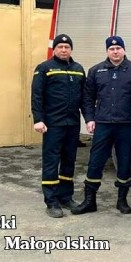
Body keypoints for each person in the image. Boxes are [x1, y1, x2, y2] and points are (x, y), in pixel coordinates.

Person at [72, 36, 131, 216]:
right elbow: (88, 98)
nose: (115, 51)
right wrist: (89, 119)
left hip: (125, 125)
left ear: (124, 50)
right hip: (103, 124)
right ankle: (90, 201)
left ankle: (122, 200)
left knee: (124, 162)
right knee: (95, 161)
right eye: (112, 49)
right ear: (107, 51)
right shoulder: (96, 71)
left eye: (118, 48)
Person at [31, 34, 86, 218]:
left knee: (69, 161)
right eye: (60, 46)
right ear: (54, 49)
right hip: (53, 124)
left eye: (67, 47)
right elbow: (37, 95)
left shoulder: (78, 69)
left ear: (71, 49)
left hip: (72, 124)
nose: (64, 50)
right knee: (51, 161)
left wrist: (89, 119)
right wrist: (38, 119)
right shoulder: (45, 68)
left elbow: (84, 99)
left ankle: (66, 197)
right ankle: (51, 201)